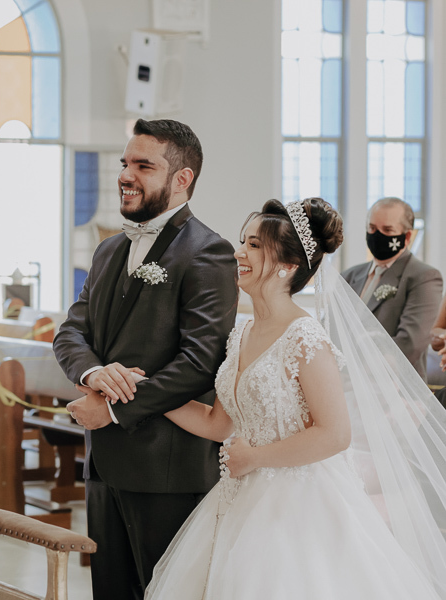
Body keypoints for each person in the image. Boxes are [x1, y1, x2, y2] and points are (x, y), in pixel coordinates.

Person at [137, 198, 446, 598]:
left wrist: (255, 457)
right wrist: (147, 394)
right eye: (243, 241)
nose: (239, 253)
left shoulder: (305, 336)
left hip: (300, 503)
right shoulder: (241, 333)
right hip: (240, 496)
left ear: (288, 265)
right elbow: (218, 422)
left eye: (254, 245)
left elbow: (335, 434)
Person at [53, 119, 239, 599]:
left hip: (166, 469)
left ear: (182, 178)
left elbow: (201, 362)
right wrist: (94, 372)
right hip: (104, 464)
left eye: (143, 165)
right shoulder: (108, 250)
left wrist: (112, 408)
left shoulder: (208, 252)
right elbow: (71, 332)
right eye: (125, 163)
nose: (125, 175)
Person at [341, 197, 442, 381]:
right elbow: (331, 328)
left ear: (407, 236)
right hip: (343, 381)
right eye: (372, 228)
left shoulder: (423, 277)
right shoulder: (349, 276)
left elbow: (410, 342)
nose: (377, 235)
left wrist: (356, 369)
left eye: (387, 230)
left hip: (395, 385)